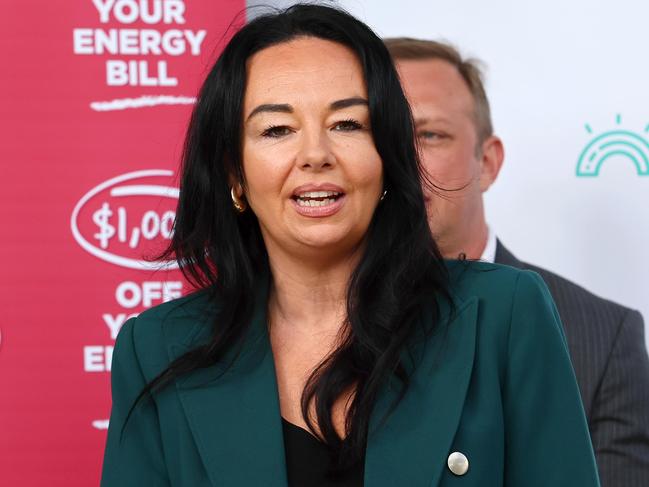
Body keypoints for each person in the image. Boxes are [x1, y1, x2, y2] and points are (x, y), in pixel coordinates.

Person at [101, 5, 600, 486]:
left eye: (348, 124)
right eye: (277, 129)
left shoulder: (504, 314)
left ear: (387, 155)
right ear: (235, 173)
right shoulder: (157, 348)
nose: (316, 154)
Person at [385, 37, 649, 487]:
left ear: (487, 162)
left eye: (430, 135)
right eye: (380, 135)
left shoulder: (603, 338)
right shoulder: (288, 325)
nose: (403, 160)